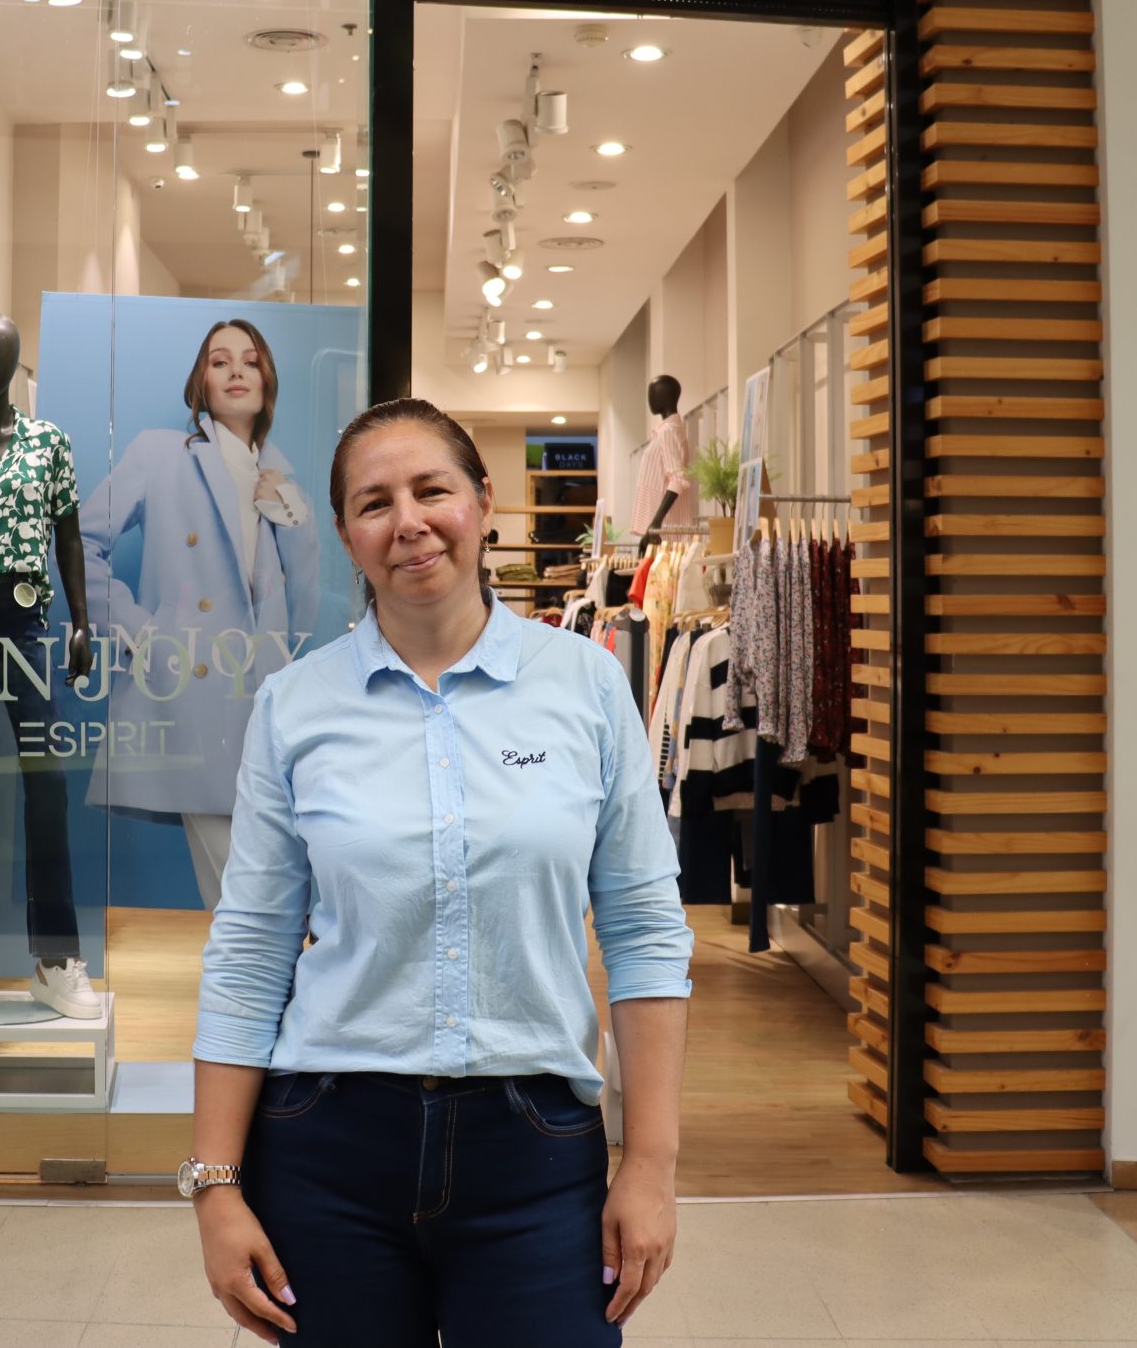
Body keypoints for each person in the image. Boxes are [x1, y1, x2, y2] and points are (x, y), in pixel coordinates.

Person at [185, 396, 693, 1347]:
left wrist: (651, 1162)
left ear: (484, 502)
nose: (408, 521)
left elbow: (645, 933)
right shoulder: (295, 706)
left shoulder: (584, 684)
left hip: (536, 1148)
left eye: (432, 490)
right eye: (374, 503)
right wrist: (215, 1188)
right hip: (328, 1145)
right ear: (347, 533)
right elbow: (250, 949)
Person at [79, 319, 322, 907]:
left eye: (250, 360)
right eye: (220, 361)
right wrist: (143, 632)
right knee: (242, 892)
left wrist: (289, 510)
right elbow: (81, 540)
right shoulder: (160, 453)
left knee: (266, 885)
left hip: (263, 698)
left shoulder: (281, 478)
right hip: (190, 687)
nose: (236, 370)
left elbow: (304, 603)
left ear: (267, 380)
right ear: (202, 382)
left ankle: (254, 970)